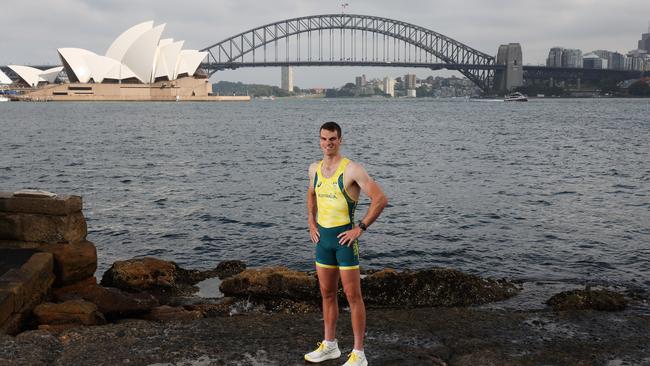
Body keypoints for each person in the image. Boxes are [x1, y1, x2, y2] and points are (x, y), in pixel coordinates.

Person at [304, 122, 388, 366]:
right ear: (319, 140)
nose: (328, 143)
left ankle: (359, 354)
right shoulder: (314, 169)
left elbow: (380, 199)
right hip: (323, 242)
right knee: (327, 293)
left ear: (340, 140)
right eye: (324, 139)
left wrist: (359, 229)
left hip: (344, 242)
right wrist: (311, 221)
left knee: (353, 296)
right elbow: (311, 193)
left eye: (332, 139)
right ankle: (330, 345)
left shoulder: (352, 169)